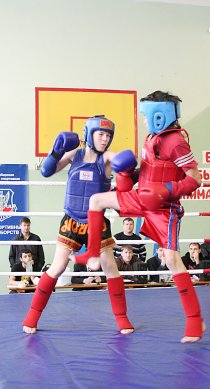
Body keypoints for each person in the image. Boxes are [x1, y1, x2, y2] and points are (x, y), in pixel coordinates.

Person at [74, 91, 205, 343]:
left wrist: (167, 190)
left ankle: (195, 319)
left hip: (164, 207)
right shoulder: (151, 138)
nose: (144, 121)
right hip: (141, 196)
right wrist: (127, 175)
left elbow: (195, 179)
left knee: (171, 259)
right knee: (97, 200)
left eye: (147, 116)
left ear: (159, 115)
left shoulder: (176, 142)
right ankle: (92, 252)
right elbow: (146, 171)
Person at [22, 115, 134, 336]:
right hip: (71, 219)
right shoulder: (75, 154)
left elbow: (122, 159)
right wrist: (56, 151)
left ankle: (122, 318)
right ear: (89, 134)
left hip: (96, 221)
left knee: (110, 267)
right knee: (57, 267)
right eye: (101, 134)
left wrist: (128, 165)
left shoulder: (107, 158)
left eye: (108, 135)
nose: (105, 139)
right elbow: (47, 171)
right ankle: (32, 316)